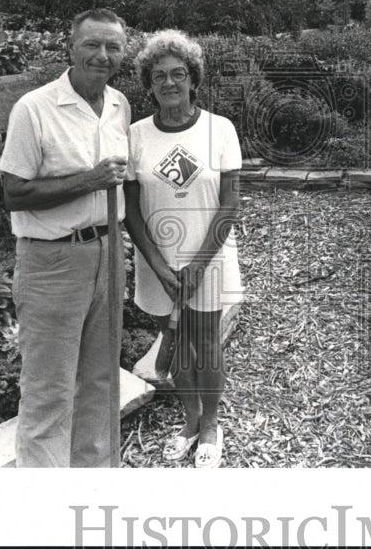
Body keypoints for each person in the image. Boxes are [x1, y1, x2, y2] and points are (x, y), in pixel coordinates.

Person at [0, 7, 131, 467]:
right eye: (92, 44)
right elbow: (14, 193)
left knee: (100, 379)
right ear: (69, 48)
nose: (102, 55)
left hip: (109, 253)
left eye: (113, 46)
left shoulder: (119, 105)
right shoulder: (34, 108)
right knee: (49, 390)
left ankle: (94, 487)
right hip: (52, 262)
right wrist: (89, 180)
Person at [123, 29, 242, 468]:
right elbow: (131, 209)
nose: (169, 83)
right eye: (159, 76)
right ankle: (190, 418)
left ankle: (211, 423)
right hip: (157, 264)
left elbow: (230, 202)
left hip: (209, 258)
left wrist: (197, 264)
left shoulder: (220, 129)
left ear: (194, 79)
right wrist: (157, 265)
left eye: (178, 74)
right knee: (174, 340)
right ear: (148, 84)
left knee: (206, 343)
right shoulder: (136, 135)